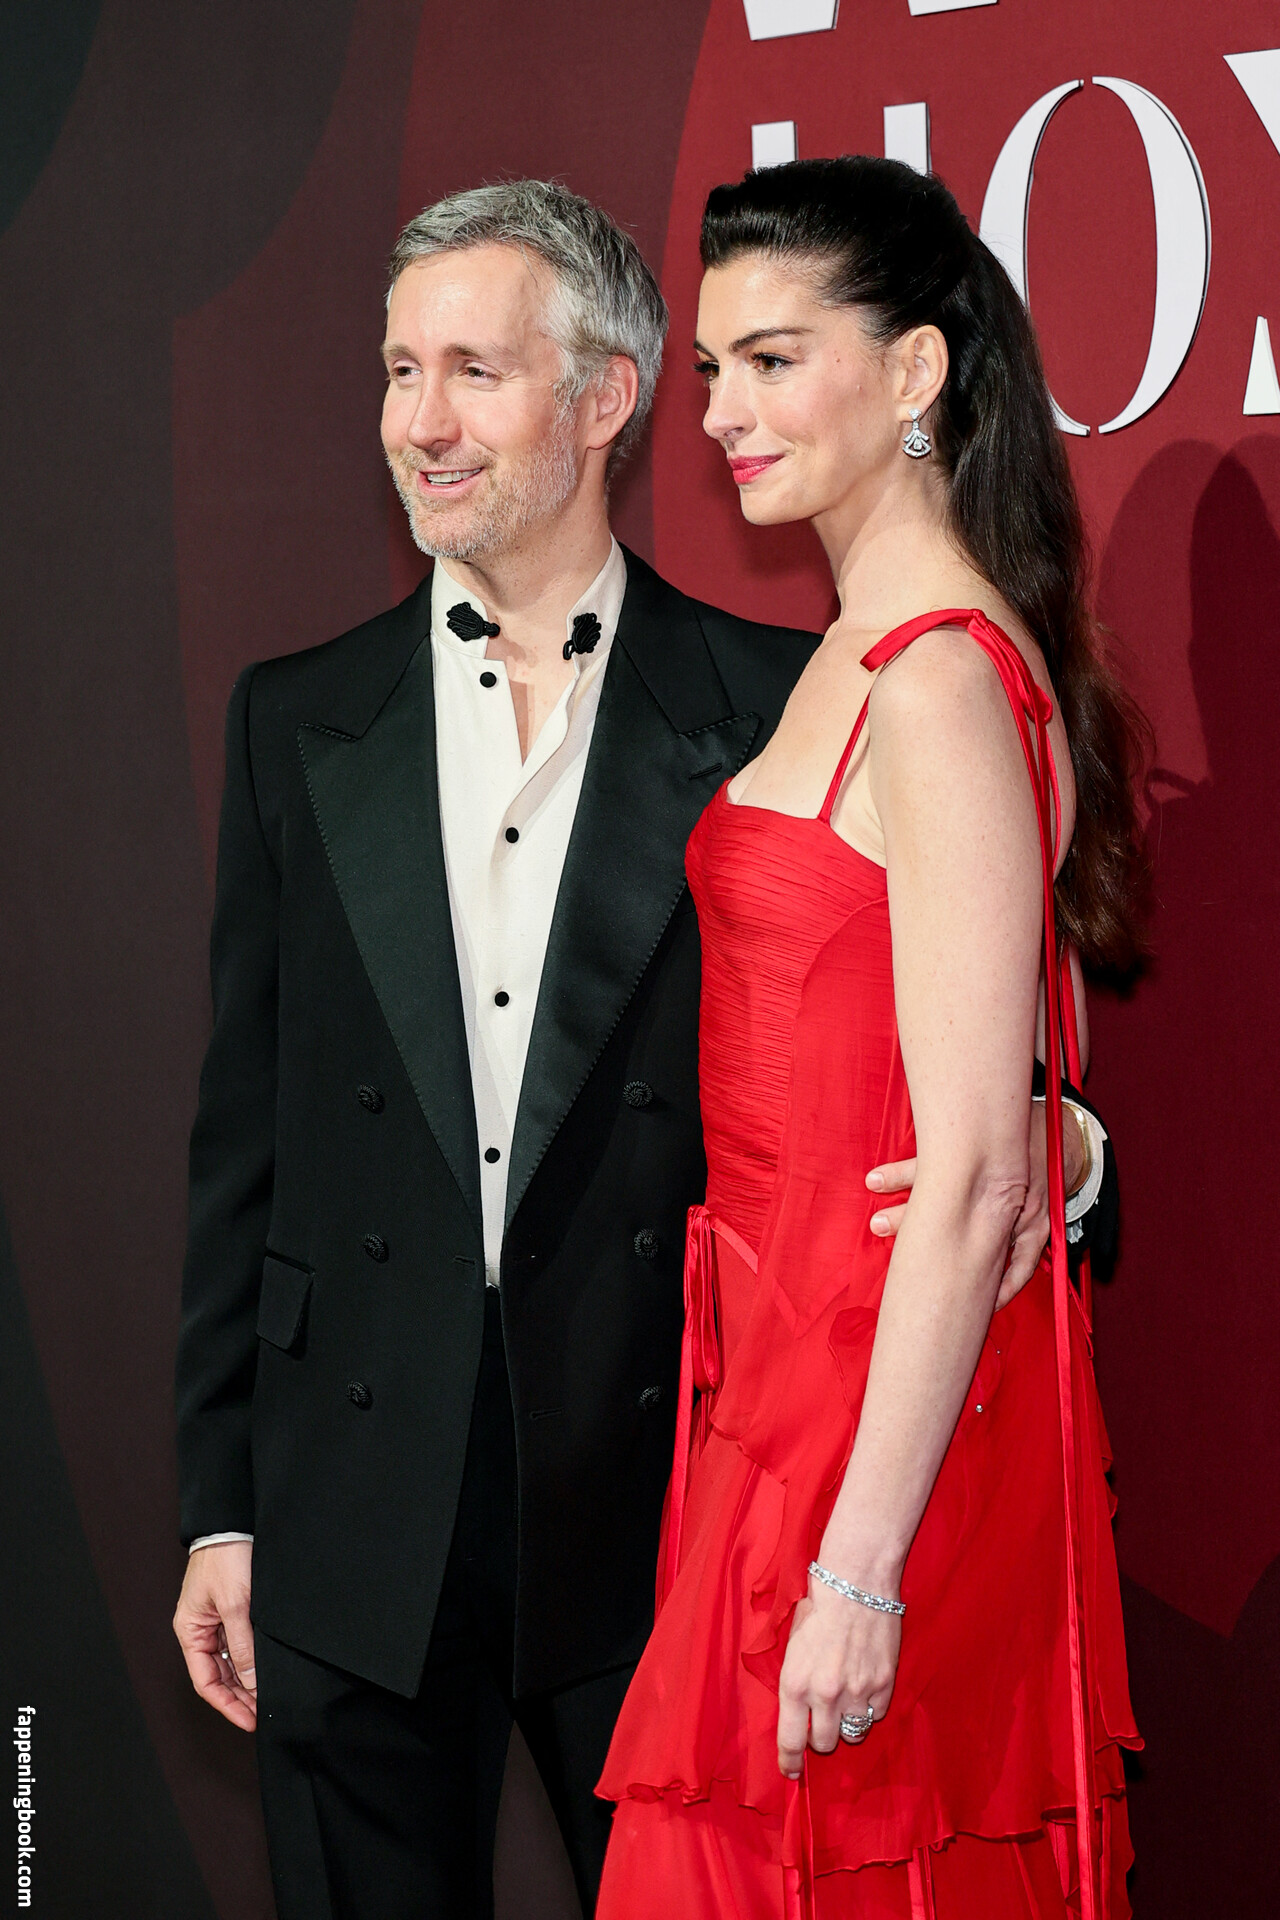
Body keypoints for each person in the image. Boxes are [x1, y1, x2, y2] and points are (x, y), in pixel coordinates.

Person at [171, 179, 1109, 1920]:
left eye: (474, 371)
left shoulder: (790, 693)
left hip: (667, 1505)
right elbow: (248, 1139)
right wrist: (221, 1507)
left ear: (606, 397)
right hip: (353, 1515)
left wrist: (1063, 1144)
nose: (420, 423)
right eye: (398, 371)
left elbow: (935, 1057)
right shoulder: (293, 720)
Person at [597, 157, 1144, 1919]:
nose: (721, 414)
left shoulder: (935, 676)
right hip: (780, 1379)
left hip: (862, 1419)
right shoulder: (872, 649)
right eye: (712, 370)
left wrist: (862, 1568)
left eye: (773, 361)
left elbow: (977, 1168)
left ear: (914, 371)